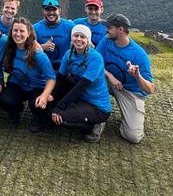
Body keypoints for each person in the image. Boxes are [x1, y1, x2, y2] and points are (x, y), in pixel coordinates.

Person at [97, 14, 154, 143]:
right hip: (109, 81)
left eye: (109, 27)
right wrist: (110, 76)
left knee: (133, 137)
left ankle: (129, 118)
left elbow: (150, 88)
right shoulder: (106, 40)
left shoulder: (139, 55)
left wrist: (137, 76)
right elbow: (96, 62)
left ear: (121, 30)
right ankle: (95, 115)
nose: (106, 30)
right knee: (91, 77)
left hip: (129, 92)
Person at [51, 24, 112, 142]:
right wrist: (51, 97)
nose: (78, 39)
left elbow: (81, 86)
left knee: (62, 119)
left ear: (88, 40)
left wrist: (59, 107)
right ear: (71, 37)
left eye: (82, 37)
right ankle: (78, 113)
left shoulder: (95, 58)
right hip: (81, 98)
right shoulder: (69, 54)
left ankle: (94, 124)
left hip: (97, 106)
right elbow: (60, 78)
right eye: (76, 35)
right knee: (52, 113)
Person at [0, 17, 56, 132]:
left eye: (22, 31)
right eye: (15, 31)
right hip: (17, 83)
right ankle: (15, 110)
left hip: (37, 86)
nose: (18, 34)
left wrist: (45, 95)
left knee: (36, 105)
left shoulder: (38, 54)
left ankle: (39, 117)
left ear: (28, 33)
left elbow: (51, 78)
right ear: (11, 32)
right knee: (4, 100)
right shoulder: (9, 48)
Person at [33, 0, 75, 70]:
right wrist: (42, 47)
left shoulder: (70, 26)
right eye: (47, 10)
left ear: (59, 11)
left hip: (65, 66)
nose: (51, 12)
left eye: (54, 9)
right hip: (43, 67)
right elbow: (27, 48)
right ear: (43, 11)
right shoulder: (35, 28)